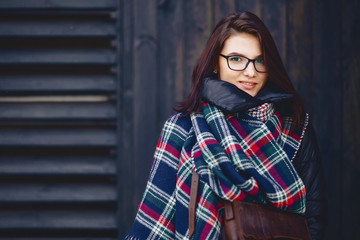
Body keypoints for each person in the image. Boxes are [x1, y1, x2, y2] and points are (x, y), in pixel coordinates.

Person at [124, 11, 327, 240]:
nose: (250, 72)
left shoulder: (294, 127)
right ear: (215, 63)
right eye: (237, 59)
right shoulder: (182, 129)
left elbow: (314, 218)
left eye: (259, 60)